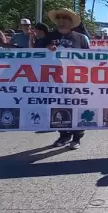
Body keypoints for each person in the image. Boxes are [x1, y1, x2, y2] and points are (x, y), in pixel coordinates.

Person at [36, 9, 90, 149]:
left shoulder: (81, 38)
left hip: (75, 82)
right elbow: (35, 55)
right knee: (58, 107)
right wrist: (46, 49)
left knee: (76, 107)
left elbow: (90, 60)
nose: (61, 21)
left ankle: (77, 138)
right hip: (54, 81)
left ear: (71, 22)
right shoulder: (48, 37)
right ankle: (63, 135)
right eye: (59, 18)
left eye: (65, 18)